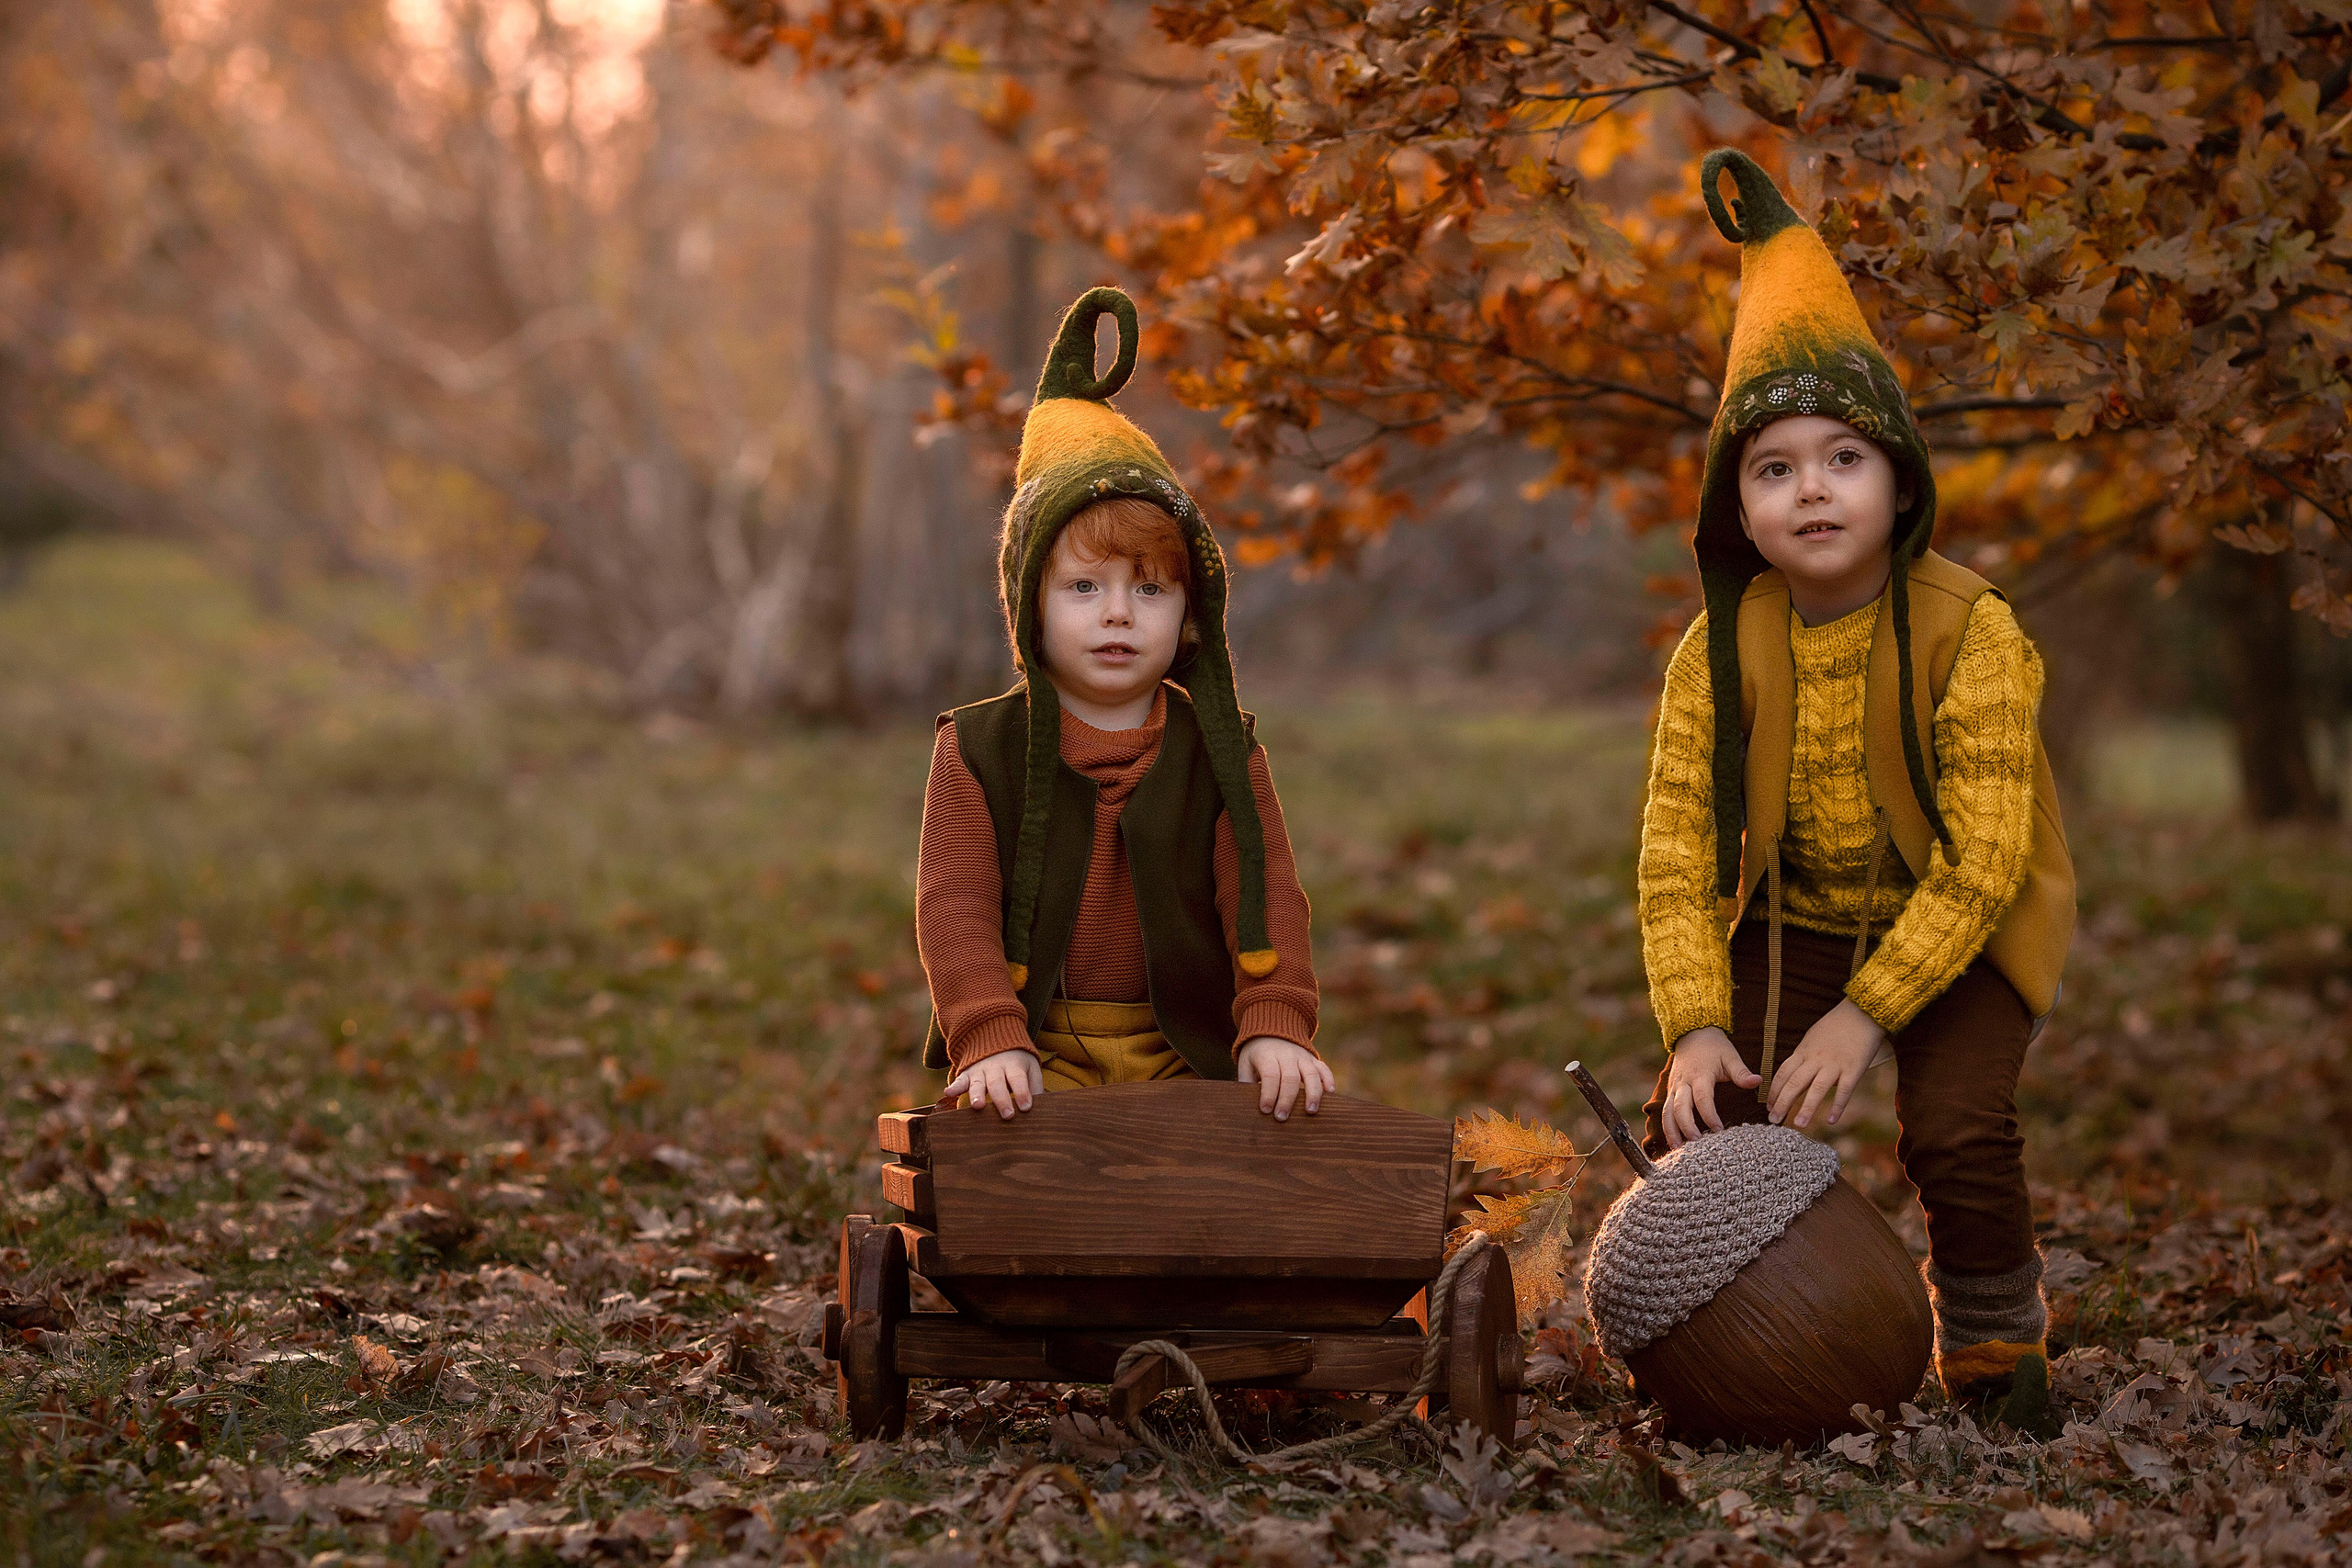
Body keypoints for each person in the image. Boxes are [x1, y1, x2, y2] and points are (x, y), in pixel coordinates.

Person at [1634, 151, 2076, 1427]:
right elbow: (1675, 851)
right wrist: (1694, 1023)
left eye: (1844, 457)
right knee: (1704, 1118)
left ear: (1898, 481)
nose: (1812, 487)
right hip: (1802, 916)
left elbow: (1984, 861)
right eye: (1772, 468)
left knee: (1955, 1128)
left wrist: (1864, 1019)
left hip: (1963, 922)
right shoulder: (1719, 646)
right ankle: (1733, 1348)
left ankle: (1992, 1350)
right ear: (1738, 505)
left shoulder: (1968, 626)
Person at [915, 286, 1329, 1125]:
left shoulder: (1222, 752)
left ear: (1190, 612)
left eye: (1149, 588)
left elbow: (1267, 891)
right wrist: (989, 1036)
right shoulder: (978, 749)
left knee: (1231, 1161)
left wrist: (1273, 1020)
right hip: (1035, 1047)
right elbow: (954, 904)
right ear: (1030, 603)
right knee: (1016, 1155)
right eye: (1084, 587)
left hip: (1186, 1046)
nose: (1117, 614)